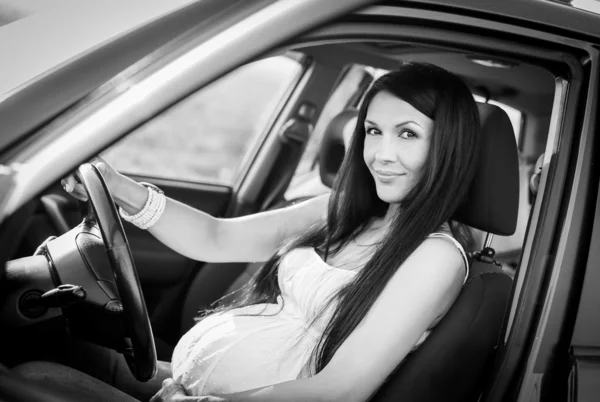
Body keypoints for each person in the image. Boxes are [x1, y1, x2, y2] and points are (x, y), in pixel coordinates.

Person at [21, 62, 480, 402]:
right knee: (39, 342)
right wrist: (119, 188)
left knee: (31, 380)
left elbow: (341, 389)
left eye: (407, 134)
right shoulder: (348, 210)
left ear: (446, 146)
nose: (380, 153)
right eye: (373, 131)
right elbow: (216, 238)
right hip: (181, 386)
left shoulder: (435, 257)